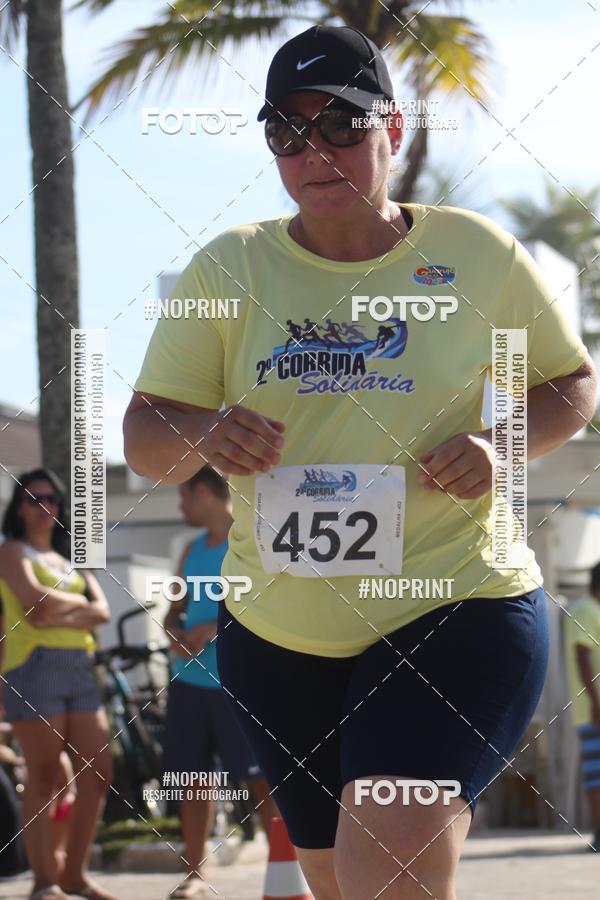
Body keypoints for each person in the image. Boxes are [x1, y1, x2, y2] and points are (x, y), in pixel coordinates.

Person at [123, 23, 597, 900]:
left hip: (458, 605)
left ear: (395, 130)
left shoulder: (476, 257)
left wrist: (503, 446)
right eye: (287, 131)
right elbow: (143, 430)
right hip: (276, 638)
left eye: (341, 124)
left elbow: (572, 383)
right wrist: (203, 434)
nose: (315, 151)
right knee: (341, 883)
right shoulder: (229, 269)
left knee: (387, 857)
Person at [162, 466, 279, 898]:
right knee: (193, 778)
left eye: (183, 497)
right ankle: (196, 873)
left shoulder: (251, 538)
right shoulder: (190, 550)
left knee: (262, 778)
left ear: (202, 491)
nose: (181, 506)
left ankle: (284, 865)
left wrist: (215, 627)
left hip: (239, 680)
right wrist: (174, 633)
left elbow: (271, 601)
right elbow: (173, 610)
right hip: (189, 683)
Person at [0, 469, 116, 900]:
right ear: (19, 506)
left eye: (51, 499)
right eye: (33, 499)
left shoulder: (72, 559)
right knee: (45, 776)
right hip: (34, 666)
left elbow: (101, 611)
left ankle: (74, 875)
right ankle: (44, 881)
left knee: (99, 772)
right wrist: (76, 605)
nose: (44, 506)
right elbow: (31, 603)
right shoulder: (12, 550)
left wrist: (58, 609)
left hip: (79, 667)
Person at [566, 561, 600, 852]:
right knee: (596, 772)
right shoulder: (585, 610)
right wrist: (595, 702)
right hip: (594, 710)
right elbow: (582, 656)